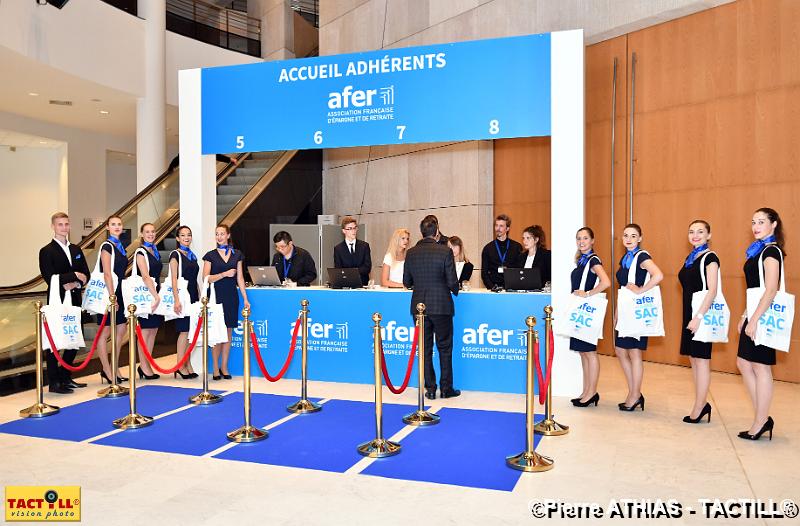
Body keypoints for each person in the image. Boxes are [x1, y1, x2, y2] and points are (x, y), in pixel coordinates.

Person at [737, 207, 786, 441]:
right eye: (753, 221)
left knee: (760, 366)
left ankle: (760, 421)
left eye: (761, 221)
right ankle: (762, 416)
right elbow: (755, 288)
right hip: (755, 312)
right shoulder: (757, 251)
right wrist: (745, 315)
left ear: (773, 224)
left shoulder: (771, 252)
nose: (756, 226)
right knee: (744, 363)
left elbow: (772, 288)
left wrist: (754, 319)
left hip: (764, 316)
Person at [403, 216, 460, 399]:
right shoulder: (445, 251)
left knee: (425, 348)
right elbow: (452, 282)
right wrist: (455, 289)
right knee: (444, 347)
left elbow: (407, 282)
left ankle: (430, 389)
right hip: (441, 305)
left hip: (419, 306)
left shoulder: (411, 253)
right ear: (436, 232)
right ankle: (446, 389)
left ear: (422, 232)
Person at [38, 212, 90, 393]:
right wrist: (74, 276)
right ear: (53, 226)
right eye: (60, 224)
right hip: (56, 301)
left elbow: (86, 273)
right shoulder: (46, 251)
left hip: (75, 299)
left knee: (74, 338)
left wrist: (76, 281)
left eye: (66, 224)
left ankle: (65, 376)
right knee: (55, 342)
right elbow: (49, 276)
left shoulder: (76, 249)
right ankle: (54, 381)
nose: (64, 228)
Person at [614, 223, 663, 412]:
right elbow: (623, 288)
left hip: (637, 312)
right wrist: (618, 312)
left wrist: (642, 290)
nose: (629, 239)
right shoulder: (626, 258)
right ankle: (634, 391)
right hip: (626, 310)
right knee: (620, 350)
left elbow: (658, 275)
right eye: (626, 235)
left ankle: (634, 395)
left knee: (634, 352)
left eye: (633, 236)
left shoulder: (642, 256)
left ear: (640, 238)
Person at [678, 220, 719, 424]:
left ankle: (700, 406)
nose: (695, 235)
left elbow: (713, 290)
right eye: (691, 231)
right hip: (690, 313)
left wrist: (699, 317)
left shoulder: (710, 257)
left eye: (700, 232)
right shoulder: (691, 258)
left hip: (701, 315)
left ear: (708, 235)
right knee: (694, 359)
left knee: (702, 360)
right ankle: (701, 403)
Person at [569, 227, 611, 407]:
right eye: (579, 238)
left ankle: (592, 392)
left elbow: (606, 282)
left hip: (588, 311)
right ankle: (587, 391)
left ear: (592, 241)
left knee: (590, 351)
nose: (582, 241)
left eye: (585, 238)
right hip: (580, 312)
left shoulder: (593, 260)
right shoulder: (582, 261)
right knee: (583, 352)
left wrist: (587, 294)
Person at [203, 224, 250, 380]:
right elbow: (205, 278)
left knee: (228, 333)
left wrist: (245, 298)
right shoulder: (210, 255)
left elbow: (240, 278)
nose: (219, 237)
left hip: (231, 296)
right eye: (217, 234)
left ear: (228, 235)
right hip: (216, 297)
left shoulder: (237, 254)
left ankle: (224, 366)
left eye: (222, 234)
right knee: (217, 333)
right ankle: (215, 368)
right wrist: (223, 274)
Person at [97, 215, 129, 384]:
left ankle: (114, 365)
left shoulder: (120, 246)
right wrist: (112, 296)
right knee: (106, 331)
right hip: (109, 292)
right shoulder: (107, 246)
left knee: (122, 329)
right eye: (113, 224)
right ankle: (106, 369)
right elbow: (107, 273)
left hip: (119, 290)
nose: (117, 227)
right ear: (107, 227)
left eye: (119, 224)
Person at [170, 225, 199, 379]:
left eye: (188, 235)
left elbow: (195, 280)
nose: (186, 238)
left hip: (193, 296)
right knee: (184, 331)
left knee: (191, 332)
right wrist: (176, 299)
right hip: (182, 297)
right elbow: (173, 279)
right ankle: (180, 365)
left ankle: (187, 362)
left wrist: (200, 299)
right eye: (183, 235)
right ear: (177, 238)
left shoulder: (192, 256)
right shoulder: (175, 255)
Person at [134, 223, 163, 380]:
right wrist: (155, 296)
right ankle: (144, 366)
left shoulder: (154, 250)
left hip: (155, 293)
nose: (151, 234)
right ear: (142, 234)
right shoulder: (141, 252)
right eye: (147, 232)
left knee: (153, 330)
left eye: (153, 231)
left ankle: (147, 363)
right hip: (147, 295)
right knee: (145, 332)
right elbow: (145, 276)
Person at [481, 214, 523, 289]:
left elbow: (520, 270)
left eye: (501, 226)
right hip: (494, 288)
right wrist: (492, 287)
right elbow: (484, 273)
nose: (498, 228)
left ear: (507, 228)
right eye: (496, 225)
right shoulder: (487, 248)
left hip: (512, 288)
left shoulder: (517, 247)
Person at [333, 215, 372, 286]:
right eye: (350, 228)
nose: (353, 231)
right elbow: (338, 270)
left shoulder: (364, 246)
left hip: (362, 284)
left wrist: (349, 272)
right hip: (345, 285)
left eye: (354, 228)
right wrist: (354, 272)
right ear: (344, 231)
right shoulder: (338, 249)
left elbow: (367, 267)